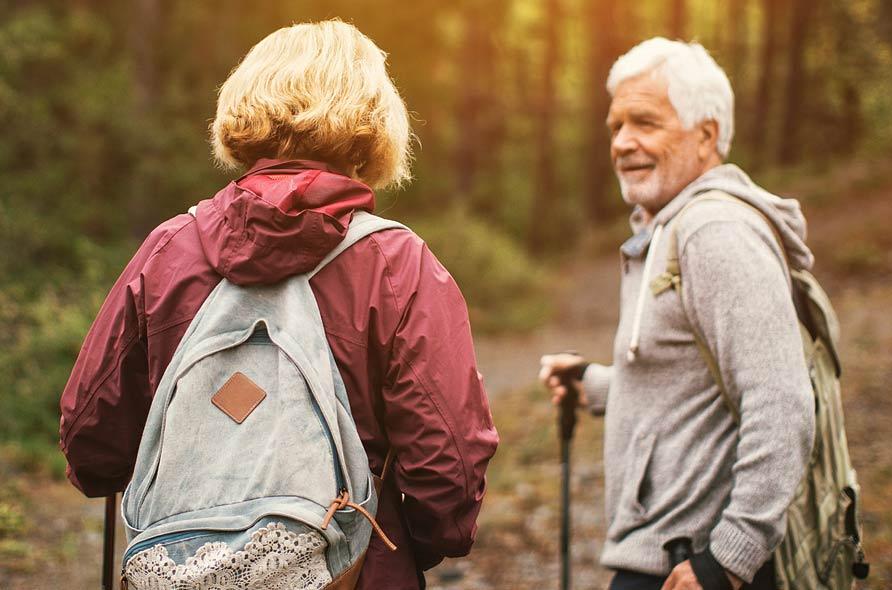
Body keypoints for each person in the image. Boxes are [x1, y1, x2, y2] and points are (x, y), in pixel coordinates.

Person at [59, 21, 498, 590]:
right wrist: (406, 541)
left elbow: (90, 442)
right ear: (373, 123)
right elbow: (450, 465)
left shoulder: (168, 251)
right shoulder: (395, 263)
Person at [540, 38, 814, 590]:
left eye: (644, 122)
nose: (623, 143)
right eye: (615, 126)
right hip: (664, 555)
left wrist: (728, 560)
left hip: (691, 563)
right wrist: (593, 384)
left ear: (706, 135)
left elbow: (782, 399)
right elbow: (690, 384)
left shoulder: (713, 231)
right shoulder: (667, 226)